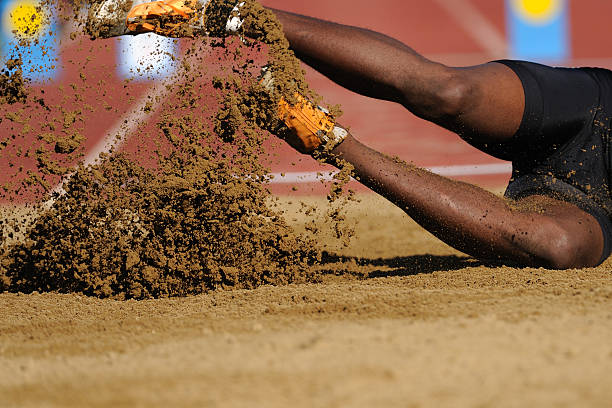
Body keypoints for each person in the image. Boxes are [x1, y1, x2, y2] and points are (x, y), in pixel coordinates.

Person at [88, 0, 612, 268]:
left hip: (594, 197)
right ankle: (223, 12)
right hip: (600, 104)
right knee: (449, 93)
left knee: (557, 248)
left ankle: (330, 141)